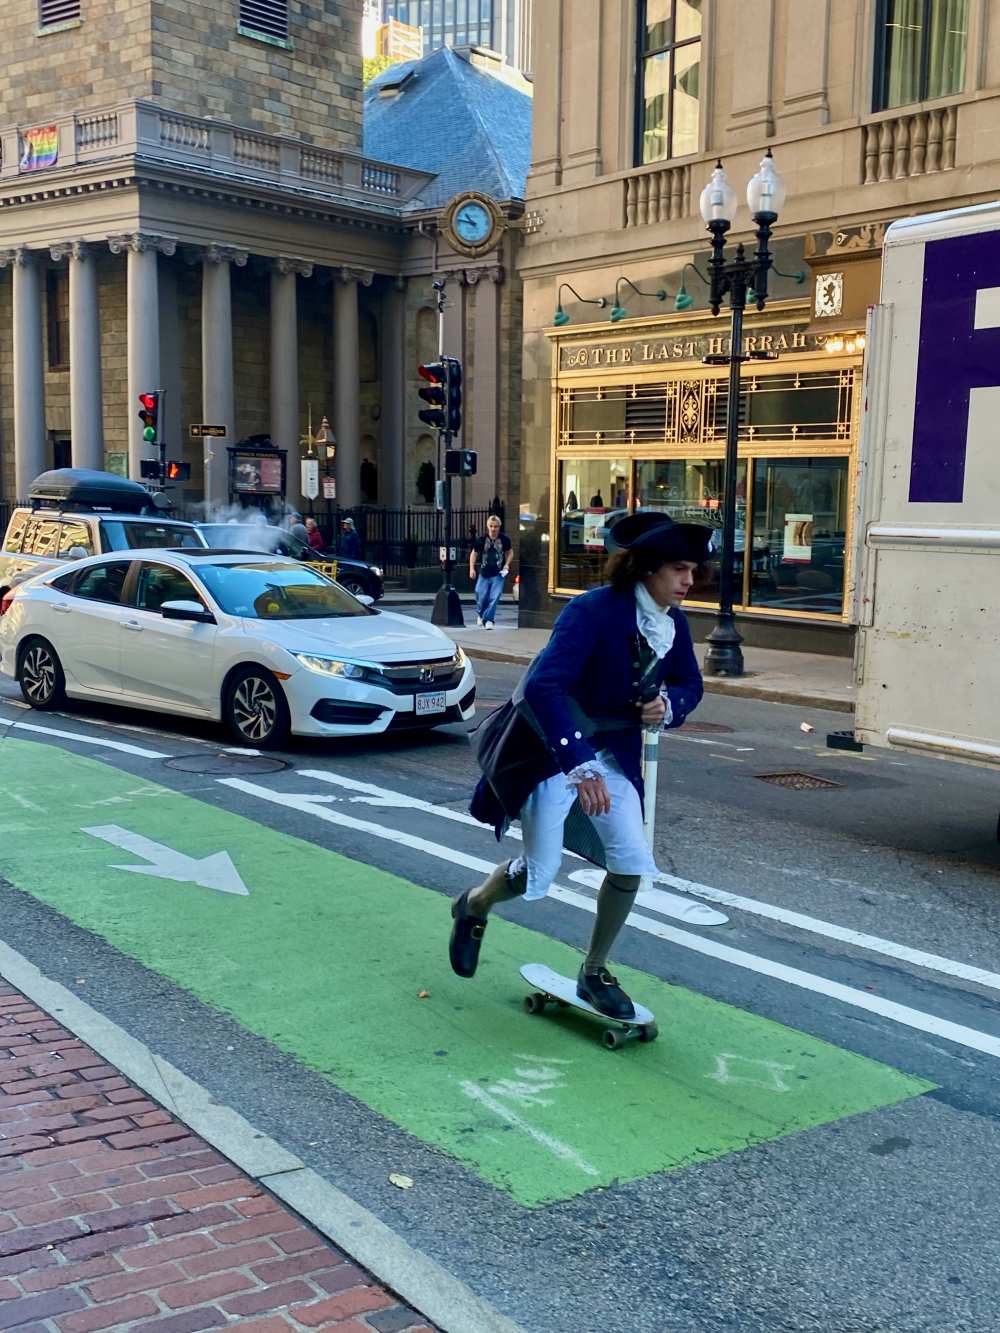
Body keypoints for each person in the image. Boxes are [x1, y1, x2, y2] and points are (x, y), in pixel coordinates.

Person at [451, 511, 712, 1018]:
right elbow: (543, 688)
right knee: (538, 874)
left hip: (615, 754)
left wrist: (668, 705)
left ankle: (593, 971)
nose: (689, 581)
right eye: (679, 569)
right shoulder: (591, 611)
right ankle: (474, 905)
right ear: (646, 569)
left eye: (692, 570)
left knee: (631, 860)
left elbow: (690, 685)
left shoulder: (673, 624)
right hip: (552, 751)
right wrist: (579, 764)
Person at [469, 514, 512, 630]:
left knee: (495, 596)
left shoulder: (504, 539)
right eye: (491, 526)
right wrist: (472, 568)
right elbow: (474, 553)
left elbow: (510, 552)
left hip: (498, 573)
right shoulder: (481, 539)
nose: (493, 529)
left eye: (496, 527)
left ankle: (488, 619)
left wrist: (507, 564)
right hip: (484, 572)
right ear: (488, 527)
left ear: (499, 527)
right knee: (480, 594)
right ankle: (481, 613)